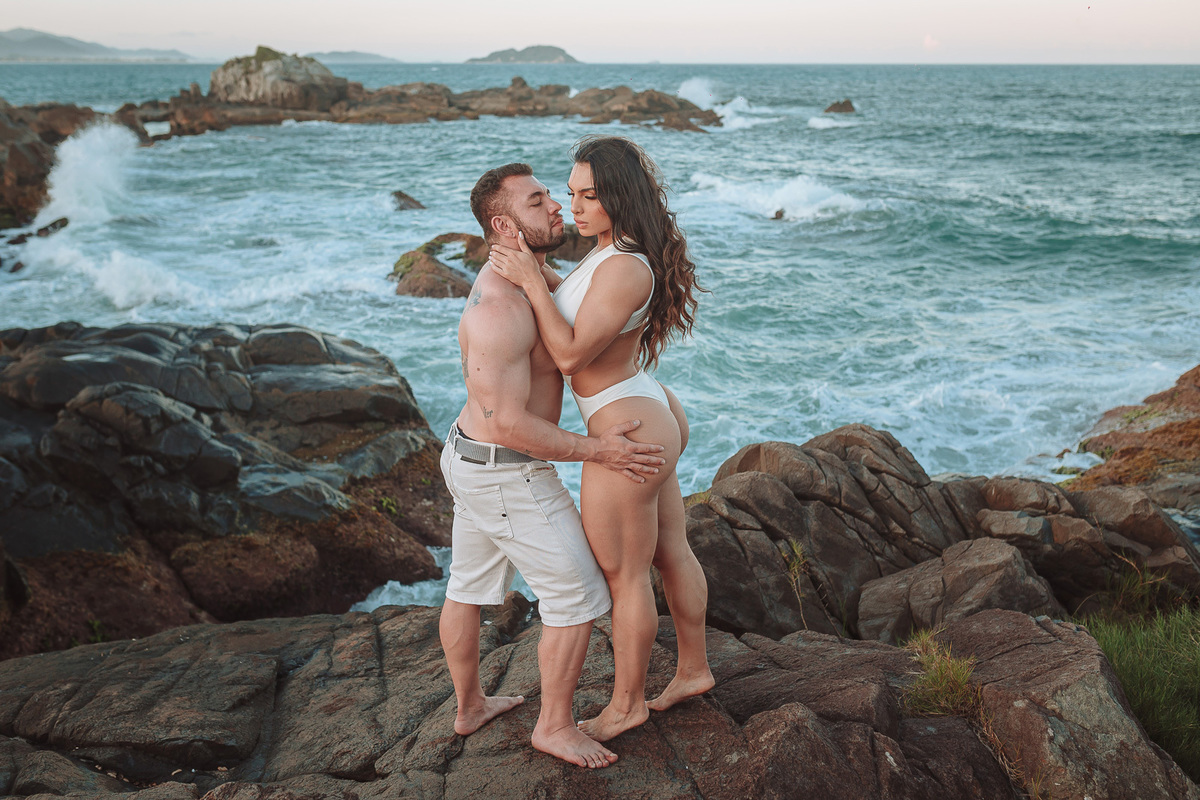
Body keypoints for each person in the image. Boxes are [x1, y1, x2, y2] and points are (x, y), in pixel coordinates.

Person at [439, 162, 667, 769]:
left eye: (555, 197)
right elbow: (510, 422)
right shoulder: (496, 308)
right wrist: (599, 449)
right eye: (540, 202)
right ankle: (554, 727)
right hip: (503, 469)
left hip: (471, 457)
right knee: (579, 594)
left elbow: (589, 321)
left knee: (467, 585)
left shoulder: (534, 274)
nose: (558, 209)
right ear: (502, 223)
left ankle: (469, 708)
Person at [489, 136, 714, 743]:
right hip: (643, 408)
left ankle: (627, 705)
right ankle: (692, 669)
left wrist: (532, 283)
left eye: (590, 196)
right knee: (671, 549)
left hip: (624, 421)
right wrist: (541, 270)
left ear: (619, 195)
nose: (576, 207)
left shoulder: (623, 265)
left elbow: (567, 354)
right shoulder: (612, 252)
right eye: (570, 194)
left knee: (626, 578)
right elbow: (583, 303)